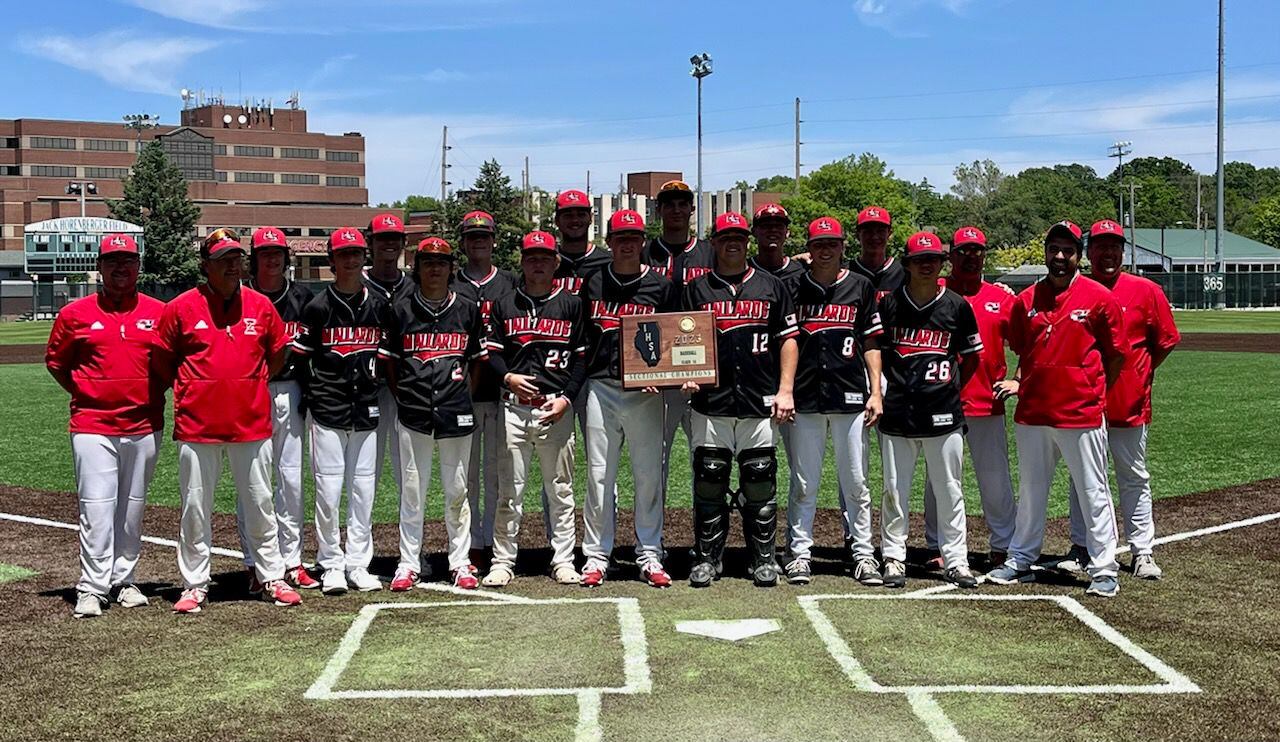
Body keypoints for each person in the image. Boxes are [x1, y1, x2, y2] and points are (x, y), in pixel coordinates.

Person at [152, 229, 301, 613]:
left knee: (260, 503)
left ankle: (272, 576)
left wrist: (247, 385)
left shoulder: (261, 306)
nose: (233, 266)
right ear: (206, 266)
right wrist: (197, 389)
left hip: (251, 424)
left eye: (236, 258)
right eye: (223, 260)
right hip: (198, 427)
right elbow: (163, 361)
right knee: (195, 508)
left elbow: (277, 355)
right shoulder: (181, 307)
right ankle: (195, 584)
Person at [987, 220, 1126, 598]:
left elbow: (1115, 356)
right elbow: (1023, 349)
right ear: (1046, 254)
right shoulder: (1026, 300)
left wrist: (1094, 393)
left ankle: (1103, 567)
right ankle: (1020, 558)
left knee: (1092, 490)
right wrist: (1020, 380)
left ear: (1079, 255)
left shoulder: (1099, 297)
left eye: (1068, 250)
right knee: (1032, 491)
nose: (1060, 257)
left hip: (1080, 413)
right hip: (1033, 413)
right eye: (1054, 250)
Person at [46, 233, 165, 618]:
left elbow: (169, 366)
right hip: (93, 425)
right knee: (97, 507)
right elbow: (57, 364)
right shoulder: (74, 314)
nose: (120, 268)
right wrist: (89, 392)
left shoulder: (159, 312)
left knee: (131, 509)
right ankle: (93, 587)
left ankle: (123, 580)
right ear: (99, 267)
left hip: (145, 424)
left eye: (127, 261)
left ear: (138, 267)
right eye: (112, 261)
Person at [1056, 219, 1181, 580]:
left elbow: (1165, 341)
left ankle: (1142, 550)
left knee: (1133, 477)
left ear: (1123, 251)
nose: (1107, 252)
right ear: (1088, 251)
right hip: (1083, 405)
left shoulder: (1145, 290)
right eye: (1100, 246)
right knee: (1083, 479)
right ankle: (1082, 547)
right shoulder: (1075, 289)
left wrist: (1138, 374)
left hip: (1128, 404)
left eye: (1114, 246)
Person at [682, 211, 799, 588]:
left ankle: (762, 559)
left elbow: (788, 340)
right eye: (724, 236)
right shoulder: (697, 289)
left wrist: (785, 389)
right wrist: (684, 375)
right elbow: (679, 342)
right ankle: (706, 558)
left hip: (758, 400)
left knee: (759, 481)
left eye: (739, 236)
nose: (732, 243)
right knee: (709, 479)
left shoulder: (771, 285)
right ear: (712, 242)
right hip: (711, 402)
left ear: (747, 240)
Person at [876, 231, 983, 589]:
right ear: (906, 264)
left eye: (933, 259)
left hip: (943, 414)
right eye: (919, 259)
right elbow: (875, 352)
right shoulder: (889, 304)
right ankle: (893, 556)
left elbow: (970, 359)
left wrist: (947, 388)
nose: (927, 265)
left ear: (942, 264)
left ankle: (956, 560)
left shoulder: (956, 305)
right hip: (897, 414)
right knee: (894, 489)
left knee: (949, 489)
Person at [578, 209, 678, 588]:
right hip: (602, 387)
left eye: (633, 237)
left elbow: (673, 336)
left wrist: (662, 373)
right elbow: (584, 338)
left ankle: (649, 551)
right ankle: (596, 555)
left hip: (646, 394)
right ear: (609, 241)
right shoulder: (593, 283)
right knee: (599, 476)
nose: (627, 243)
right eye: (620, 237)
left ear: (642, 241)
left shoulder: (660, 285)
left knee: (648, 474)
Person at [483, 231, 587, 587]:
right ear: (522, 262)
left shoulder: (572, 303)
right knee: (509, 490)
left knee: (560, 488)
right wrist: (508, 377)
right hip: (514, 408)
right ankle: (502, 560)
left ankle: (563, 559)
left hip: (554, 406)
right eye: (531, 257)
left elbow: (581, 360)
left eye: (545, 257)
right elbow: (492, 354)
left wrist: (566, 398)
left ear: (556, 262)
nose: (538, 263)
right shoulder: (505, 303)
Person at [785, 217, 884, 586]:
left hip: (851, 395)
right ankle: (799, 552)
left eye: (832, 244)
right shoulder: (793, 288)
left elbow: (872, 343)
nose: (825, 250)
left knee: (856, 481)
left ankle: (863, 553)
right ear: (808, 251)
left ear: (844, 247)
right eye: (818, 245)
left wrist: (875, 391)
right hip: (806, 397)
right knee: (804, 481)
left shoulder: (860, 286)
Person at [384, 237, 487, 592]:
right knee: (413, 490)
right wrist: (407, 397)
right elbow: (391, 366)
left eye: (441, 262)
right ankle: (408, 562)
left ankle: (459, 562)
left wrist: (462, 397)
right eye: (428, 262)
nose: (435, 268)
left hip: (455, 410)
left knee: (457, 490)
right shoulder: (401, 308)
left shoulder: (468, 308)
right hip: (413, 411)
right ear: (418, 267)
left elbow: (476, 363)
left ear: (451, 268)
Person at [291, 227, 389, 595]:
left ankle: (359, 563)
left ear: (364, 258)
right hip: (328, 410)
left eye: (356, 253)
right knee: (329, 490)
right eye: (343, 254)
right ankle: (331, 562)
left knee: (363, 490)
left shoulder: (379, 305)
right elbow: (300, 360)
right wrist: (316, 393)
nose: (351, 260)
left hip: (366, 408)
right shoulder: (317, 307)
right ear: (331, 261)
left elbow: (388, 356)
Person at [920, 227, 1017, 569]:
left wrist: (1016, 379)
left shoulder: (1002, 298)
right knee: (940, 479)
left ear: (984, 255)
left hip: (986, 401)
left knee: (994, 478)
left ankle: (1004, 543)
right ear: (952, 255)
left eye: (976, 251)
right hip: (940, 401)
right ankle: (937, 545)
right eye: (963, 251)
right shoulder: (933, 289)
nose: (970, 257)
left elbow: (1029, 344)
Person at [235, 226, 318, 593]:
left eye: (278, 253)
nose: (272, 258)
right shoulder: (238, 297)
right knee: (252, 480)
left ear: (287, 258)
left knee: (291, 479)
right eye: (265, 252)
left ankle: (293, 559)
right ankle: (254, 562)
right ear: (253, 259)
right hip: (250, 392)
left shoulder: (303, 297)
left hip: (292, 391)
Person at [453, 210, 518, 567]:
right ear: (463, 242)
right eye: (472, 236)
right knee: (465, 474)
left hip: (499, 387)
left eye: (485, 236)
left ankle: (493, 540)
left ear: (494, 240)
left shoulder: (509, 281)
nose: (479, 241)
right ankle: (470, 542)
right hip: (460, 389)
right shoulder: (452, 282)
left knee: (496, 470)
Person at [646, 180, 717, 496]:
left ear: (691, 209)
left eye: (682, 203)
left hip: (701, 371)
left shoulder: (709, 253)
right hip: (656, 372)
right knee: (653, 461)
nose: (676, 209)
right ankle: (652, 542)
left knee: (705, 459)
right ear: (659, 209)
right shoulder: (645, 253)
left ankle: (705, 538)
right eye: (669, 203)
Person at [364, 213, 414, 498]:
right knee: (367, 469)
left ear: (403, 242)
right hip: (368, 387)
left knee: (407, 468)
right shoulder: (358, 281)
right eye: (382, 238)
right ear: (371, 242)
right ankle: (362, 539)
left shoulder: (413, 284)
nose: (388, 244)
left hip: (405, 386)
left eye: (394, 238)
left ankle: (409, 539)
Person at [552, 189, 611, 294]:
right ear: (557, 221)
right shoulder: (546, 263)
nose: (575, 220)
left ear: (591, 218)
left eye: (581, 214)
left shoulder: (608, 263)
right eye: (568, 215)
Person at [850, 206, 905, 301]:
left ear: (889, 234)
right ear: (857, 235)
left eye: (881, 231)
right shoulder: (846, 272)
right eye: (868, 231)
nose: (875, 237)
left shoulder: (905, 273)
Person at [749, 203, 806, 282]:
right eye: (766, 226)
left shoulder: (801, 271)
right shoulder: (745, 270)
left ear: (787, 232)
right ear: (754, 232)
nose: (773, 230)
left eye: (779, 226)